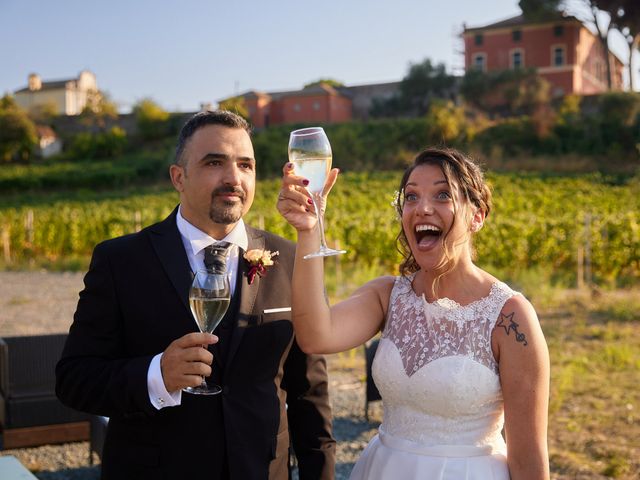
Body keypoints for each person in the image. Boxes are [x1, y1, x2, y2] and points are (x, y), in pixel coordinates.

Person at [56, 110, 335, 480]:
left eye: (245, 165)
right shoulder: (120, 261)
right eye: (214, 162)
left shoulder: (291, 259)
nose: (233, 178)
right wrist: (157, 375)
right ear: (179, 177)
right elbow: (74, 380)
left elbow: (309, 393)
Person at [277, 147, 550, 479]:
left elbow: (529, 461)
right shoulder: (387, 295)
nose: (422, 208)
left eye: (442, 195)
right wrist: (308, 232)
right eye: (411, 197)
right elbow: (315, 335)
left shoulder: (509, 316)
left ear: (477, 215)